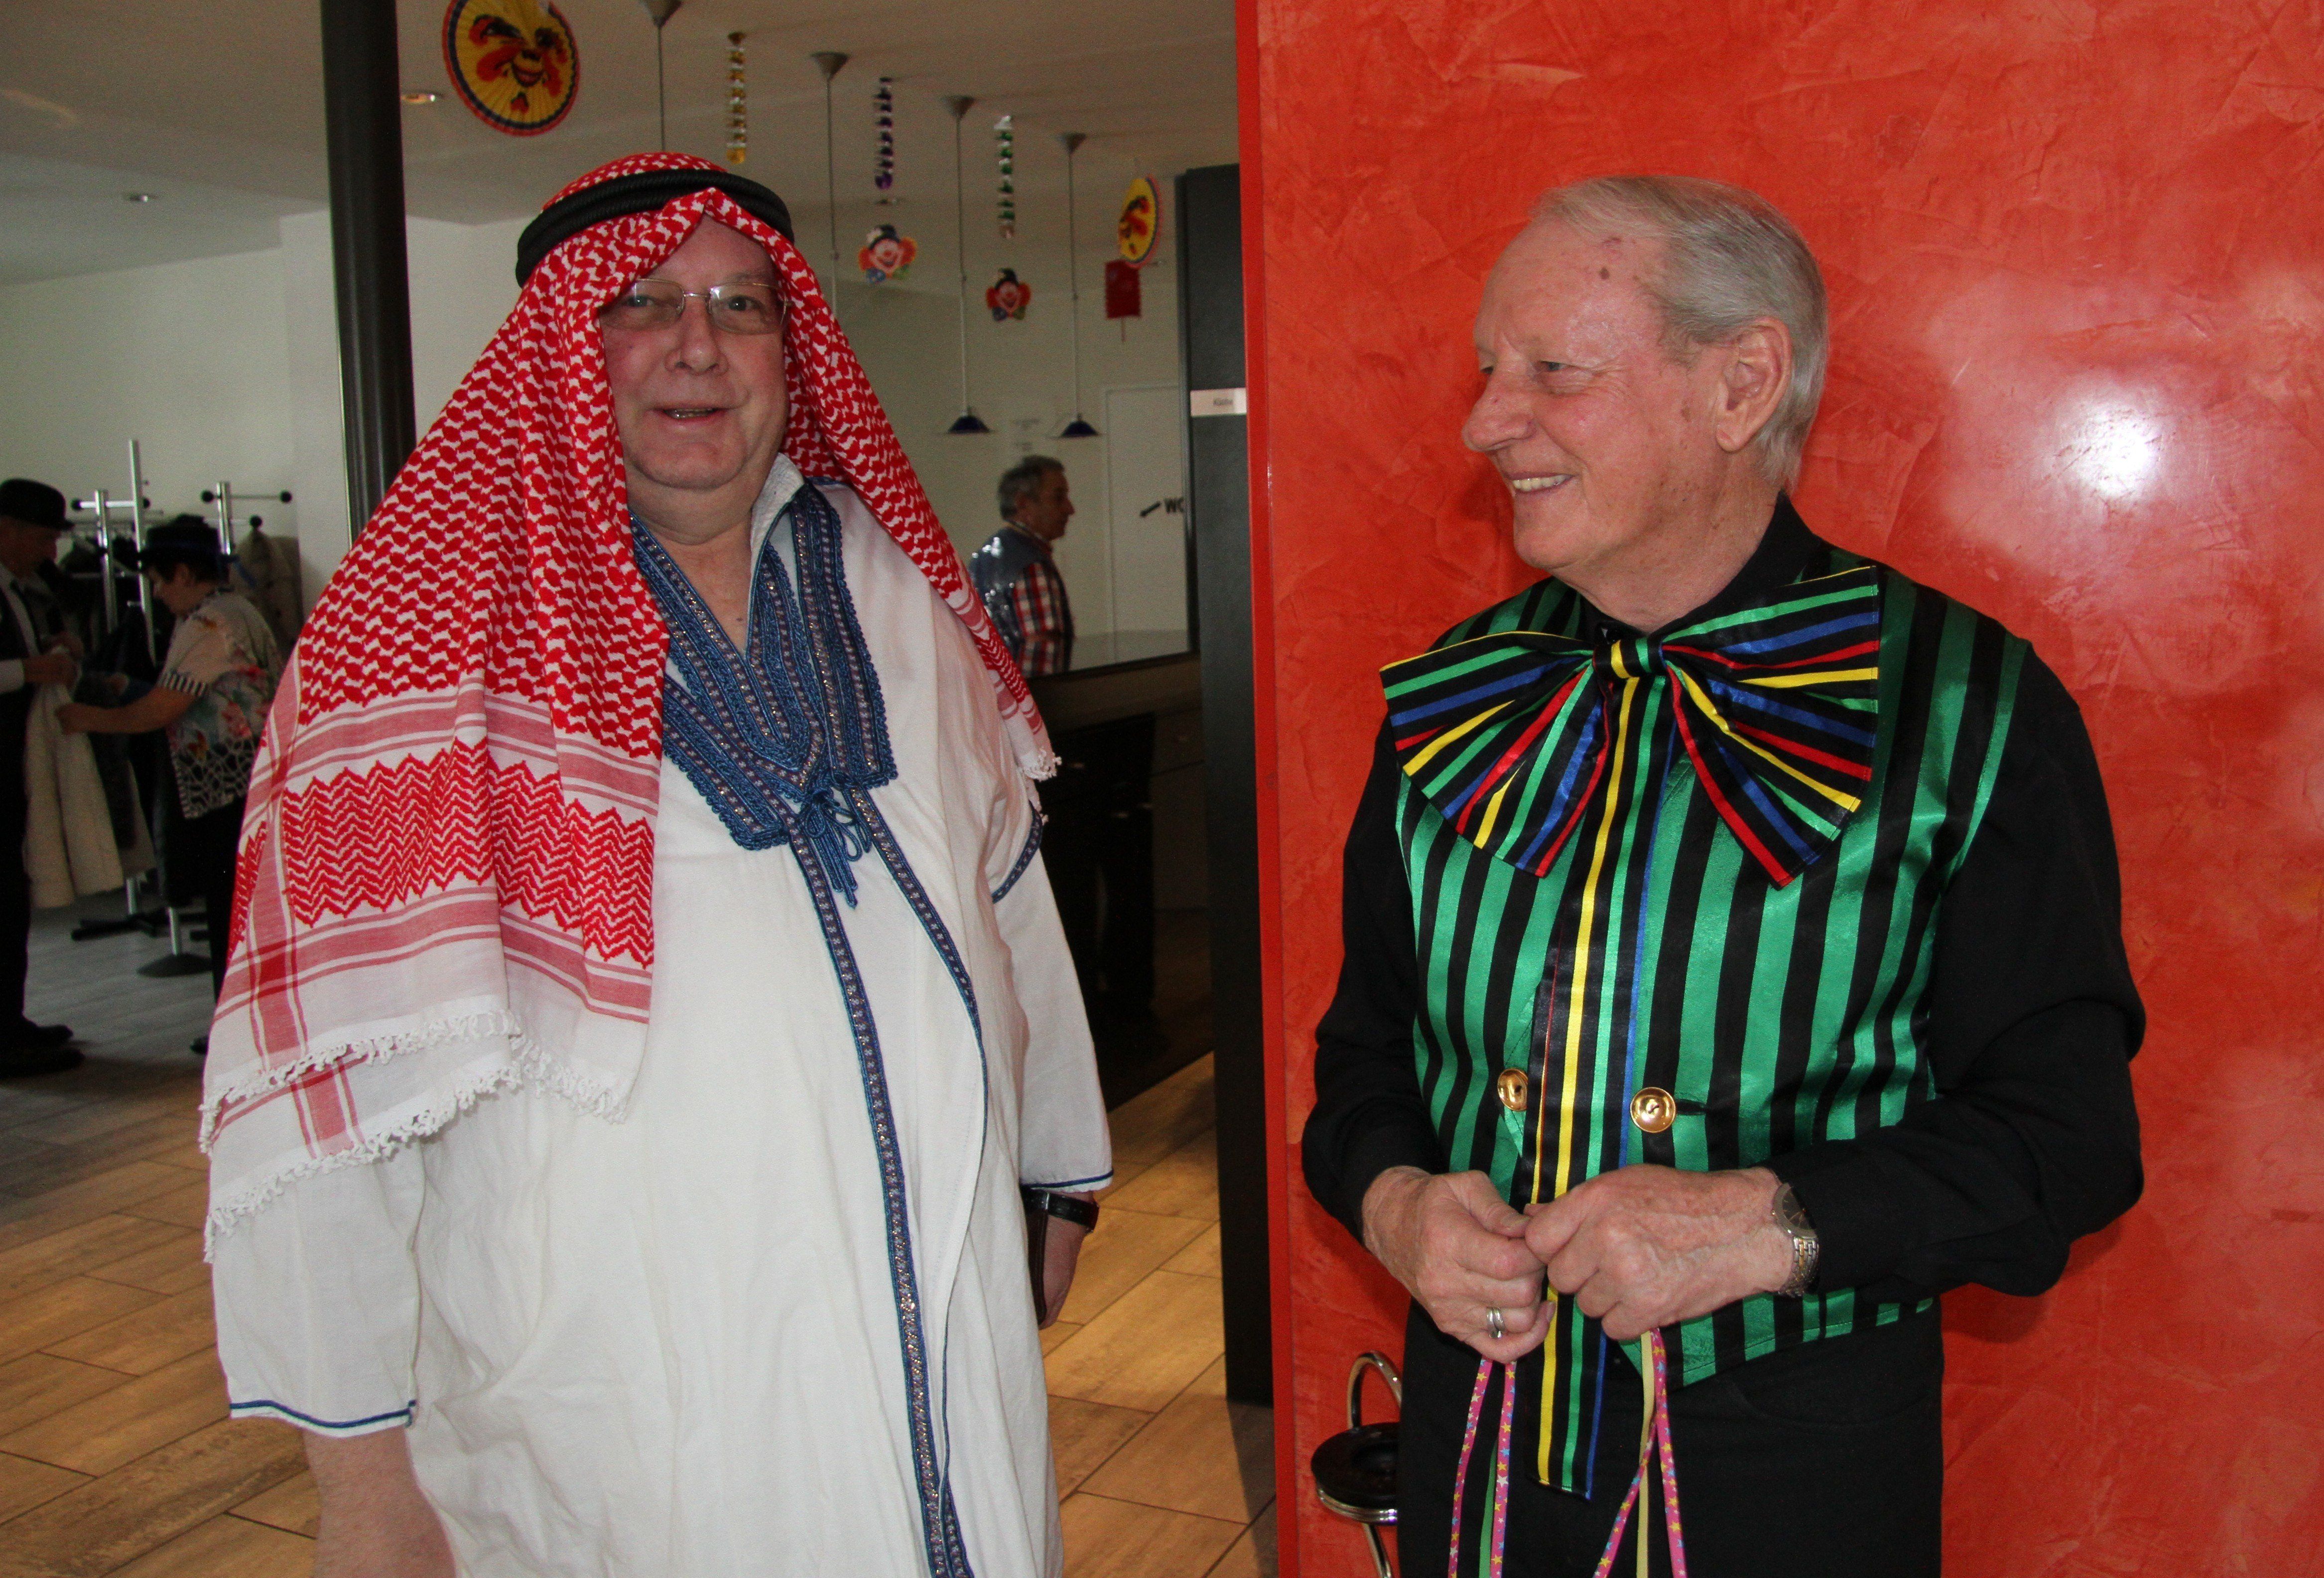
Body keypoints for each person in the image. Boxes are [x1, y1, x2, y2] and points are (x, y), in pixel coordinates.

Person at [197, 154, 1109, 1578]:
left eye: (742, 305)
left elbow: (1008, 898)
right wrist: (363, 1484)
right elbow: (319, 1108)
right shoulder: (414, 660)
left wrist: (1055, 1169)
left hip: (946, 1341)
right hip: (621, 1408)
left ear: (789, 350)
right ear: (562, 348)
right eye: (642, 302)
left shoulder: (896, 594)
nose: (699, 345)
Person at [1301, 176, 2143, 1578]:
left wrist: (1772, 1224)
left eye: (1552, 371)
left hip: (1792, 1478)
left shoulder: (1967, 710)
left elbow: (2068, 1140)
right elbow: (1361, 1054)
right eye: (1490, 370)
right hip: (1475, 1449)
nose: (1485, 421)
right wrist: (1392, 1200)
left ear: (1741, 384)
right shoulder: (1452, 699)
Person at [61, 520, 282, 1034]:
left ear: (183, 573)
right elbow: (196, 696)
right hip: (245, 779)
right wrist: (128, 687)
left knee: (230, 910)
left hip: (230, 787)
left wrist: (88, 718)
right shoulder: (237, 610)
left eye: (160, 580)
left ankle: (236, 1032)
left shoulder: (210, 624)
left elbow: (162, 709)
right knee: (240, 908)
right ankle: (246, 1028)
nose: (157, 593)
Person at [0, 478, 82, 1076]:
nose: (52, 552)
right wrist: (29, 670)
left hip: (12, 764)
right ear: (8, 530)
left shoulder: (21, 591)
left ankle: (11, 1020)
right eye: (43, 538)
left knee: (10, 897)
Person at [969, 456, 1075, 676]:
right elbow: (1042, 654)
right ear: (1024, 503)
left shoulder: (982, 559)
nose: (1070, 509)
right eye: (1058, 498)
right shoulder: (1030, 565)